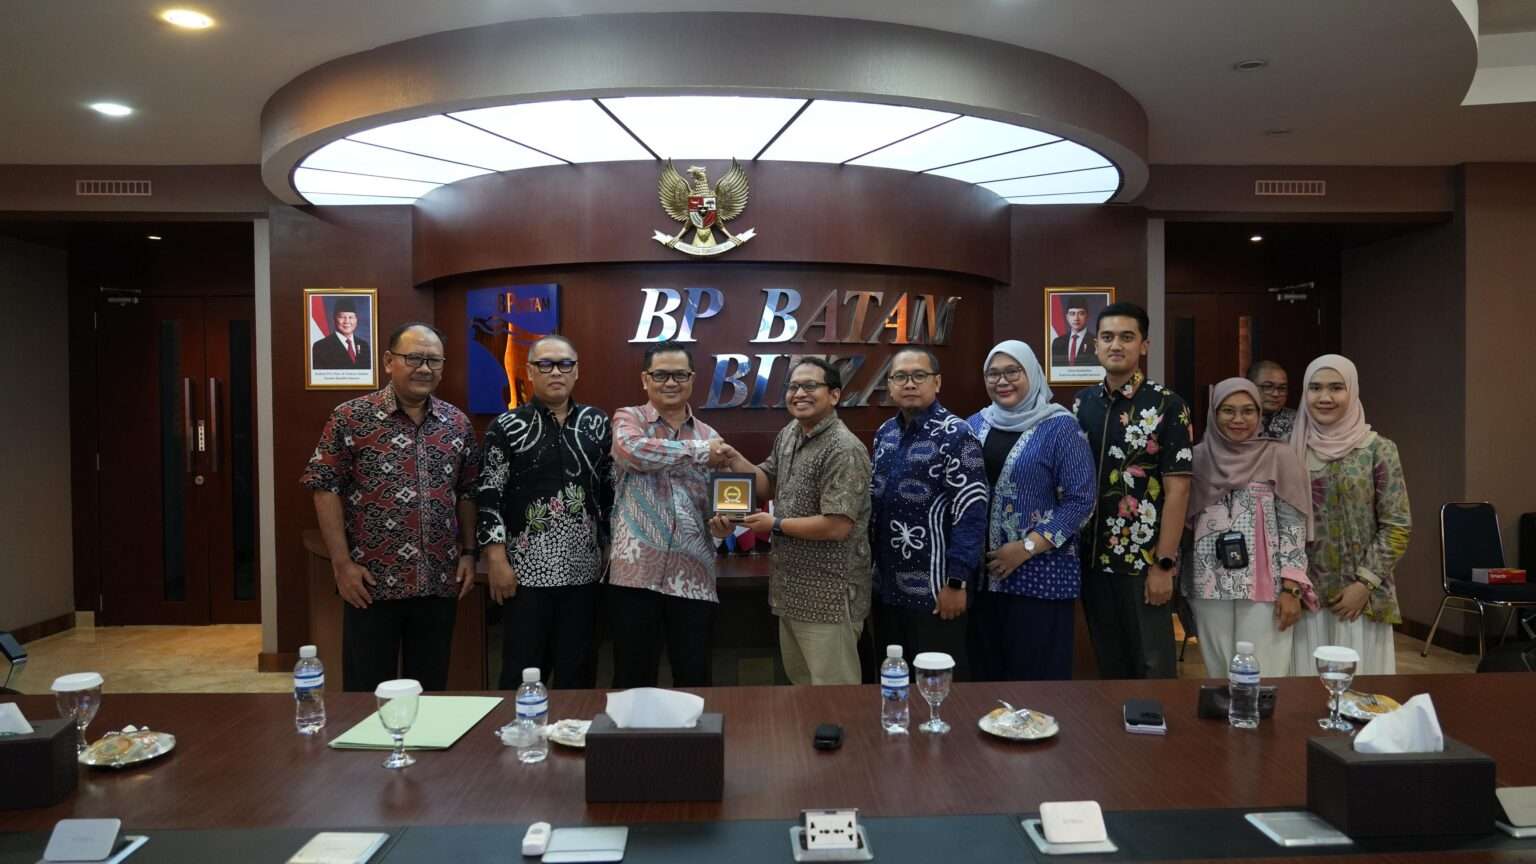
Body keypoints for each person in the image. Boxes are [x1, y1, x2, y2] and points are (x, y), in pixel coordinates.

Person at [301, 322, 479, 692]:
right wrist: (341, 565)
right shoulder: (350, 417)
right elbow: (324, 487)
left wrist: (468, 552)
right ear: (388, 361)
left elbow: (467, 491)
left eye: (434, 360)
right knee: (367, 694)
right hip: (370, 584)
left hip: (438, 582)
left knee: (430, 691)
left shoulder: (457, 423)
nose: (424, 368)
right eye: (413, 358)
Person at [714, 357, 872, 685]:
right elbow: (767, 484)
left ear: (834, 395)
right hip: (790, 593)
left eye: (810, 386)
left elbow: (837, 525)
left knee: (836, 696)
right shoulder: (790, 434)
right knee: (802, 691)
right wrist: (736, 460)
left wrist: (775, 524)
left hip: (829, 597)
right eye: (793, 386)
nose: (799, 393)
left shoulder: (844, 449)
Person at [478, 334, 613, 689]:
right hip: (525, 575)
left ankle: (573, 726)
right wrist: (496, 560)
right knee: (522, 673)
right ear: (529, 371)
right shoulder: (506, 427)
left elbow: (609, 490)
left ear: (576, 371)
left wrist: (610, 545)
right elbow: (489, 494)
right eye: (546, 364)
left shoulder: (597, 423)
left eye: (565, 364)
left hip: (584, 572)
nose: (556, 372)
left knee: (578, 674)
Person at [1072, 301, 1193, 679]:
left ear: (1144, 345)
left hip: (1143, 562)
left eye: (1127, 337)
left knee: (1152, 665)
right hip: (1092, 559)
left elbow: (1179, 491)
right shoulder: (1082, 404)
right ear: (1095, 345)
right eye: (1107, 337)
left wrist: (1164, 565)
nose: (1116, 345)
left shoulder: (1168, 405)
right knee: (1108, 664)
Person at [608, 342, 737, 687]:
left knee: (694, 679)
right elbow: (632, 452)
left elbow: (723, 502)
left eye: (680, 375)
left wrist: (724, 526)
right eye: (661, 374)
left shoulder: (712, 437)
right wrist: (699, 452)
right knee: (633, 681)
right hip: (636, 576)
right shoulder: (629, 419)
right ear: (645, 379)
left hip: (694, 576)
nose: (670, 382)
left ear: (692, 379)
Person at [965, 340, 1096, 681]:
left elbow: (1081, 501)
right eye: (993, 373)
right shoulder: (974, 425)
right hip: (982, 582)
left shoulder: (1061, 427)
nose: (1002, 381)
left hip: (1041, 579)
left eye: (1013, 371)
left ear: (1033, 374)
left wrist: (1026, 548)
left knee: (1036, 684)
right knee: (985, 683)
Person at [869, 347, 988, 680]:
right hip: (887, 590)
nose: (909, 383)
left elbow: (971, 512)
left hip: (937, 594)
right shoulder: (885, 434)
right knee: (894, 682)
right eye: (900, 377)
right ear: (890, 385)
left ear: (937, 382)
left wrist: (957, 582)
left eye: (919, 375)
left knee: (940, 688)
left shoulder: (958, 435)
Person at [1184, 377, 1316, 677]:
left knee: (1264, 674)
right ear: (1214, 413)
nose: (1238, 419)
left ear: (1259, 413)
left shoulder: (1279, 456)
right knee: (1219, 675)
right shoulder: (1197, 459)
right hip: (1208, 583)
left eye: (1248, 411)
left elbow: (1293, 527)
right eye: (1228, 410)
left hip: (1265, 586)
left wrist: (1292, 588)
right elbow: (1184, 527)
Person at [1288, 355, 1410, 675]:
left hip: (1360, 600)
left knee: (1361, 691)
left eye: (1336, 388)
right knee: (1305, 693)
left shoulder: (1378, 449)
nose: (1324, 397)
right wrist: (1289, 587)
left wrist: (1364, 584)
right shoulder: (1290, 450)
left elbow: (1397, 525)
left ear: (1352, 391)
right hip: (1305, 599)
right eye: (1315, 388)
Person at [311, 297, 371, 371]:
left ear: (356, 320)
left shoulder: (364, 345)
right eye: (342, 317)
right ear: (334, 318)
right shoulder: (321, 346)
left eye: (351, 317)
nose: (347, 321)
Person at [1247, 360, 1296, 440]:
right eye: (1268, 387)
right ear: (1250, 386)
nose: (1276, 394)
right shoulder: (1239, 419)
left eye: (1282, 388)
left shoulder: (1298, 421)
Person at [1050, 297, 1097, 368]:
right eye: (1072, 313)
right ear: (1067, 317)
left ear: (1087, 316)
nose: (1076, 318)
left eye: (1081, 313)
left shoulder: (1095, 342)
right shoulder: (1057, 342)